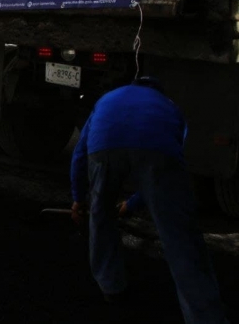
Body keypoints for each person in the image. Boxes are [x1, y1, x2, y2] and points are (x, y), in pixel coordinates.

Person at [70, 77, 229, 323]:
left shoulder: (107, 100)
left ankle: (111, 287)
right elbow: (166, 168)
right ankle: (205, 316)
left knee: (100, 216)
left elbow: (79, 154)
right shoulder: (169, 107)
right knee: (179, 236)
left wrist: (79, 200)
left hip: (104, 146)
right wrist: (134, 203)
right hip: (156, 150)